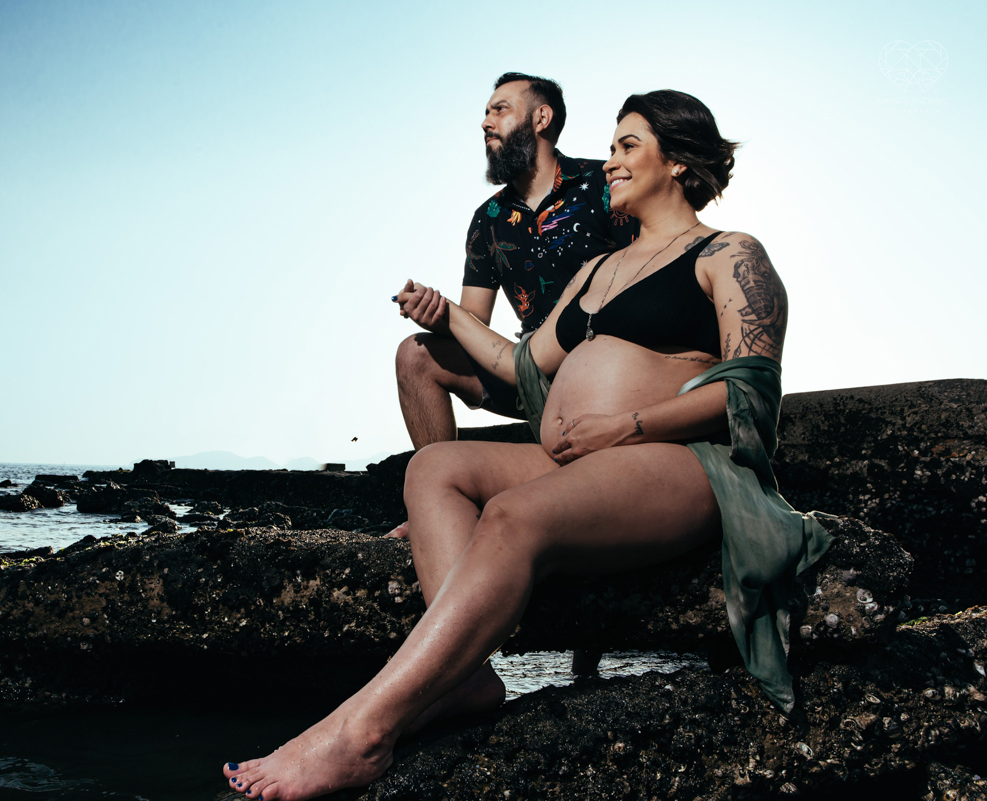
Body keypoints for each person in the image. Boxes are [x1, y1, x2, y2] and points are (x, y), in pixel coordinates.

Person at [222, 90, 831, 801]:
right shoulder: (600, 270)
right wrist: (445, 314)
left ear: (680, 161)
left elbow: (752, 393)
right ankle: (466, 675)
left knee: (515, 516)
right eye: (611, 147)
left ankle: (361, 731)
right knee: (435, 467)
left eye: (629, 146)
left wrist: (625, 425)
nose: (609, 161)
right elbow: (519, 364)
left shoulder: (729, 255)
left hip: (679, 462)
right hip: (580, 457)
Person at [394, 72, 638, 452]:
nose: (485, 122)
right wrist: (437, 314)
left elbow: (650, 275)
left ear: (542, 118)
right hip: (529, 376)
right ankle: (436, 481)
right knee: (415, 355)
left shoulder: (604, 183)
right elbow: (474, 321)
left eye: (500, 110)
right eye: (486, 113)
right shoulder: (488, 218)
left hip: (612, 373)